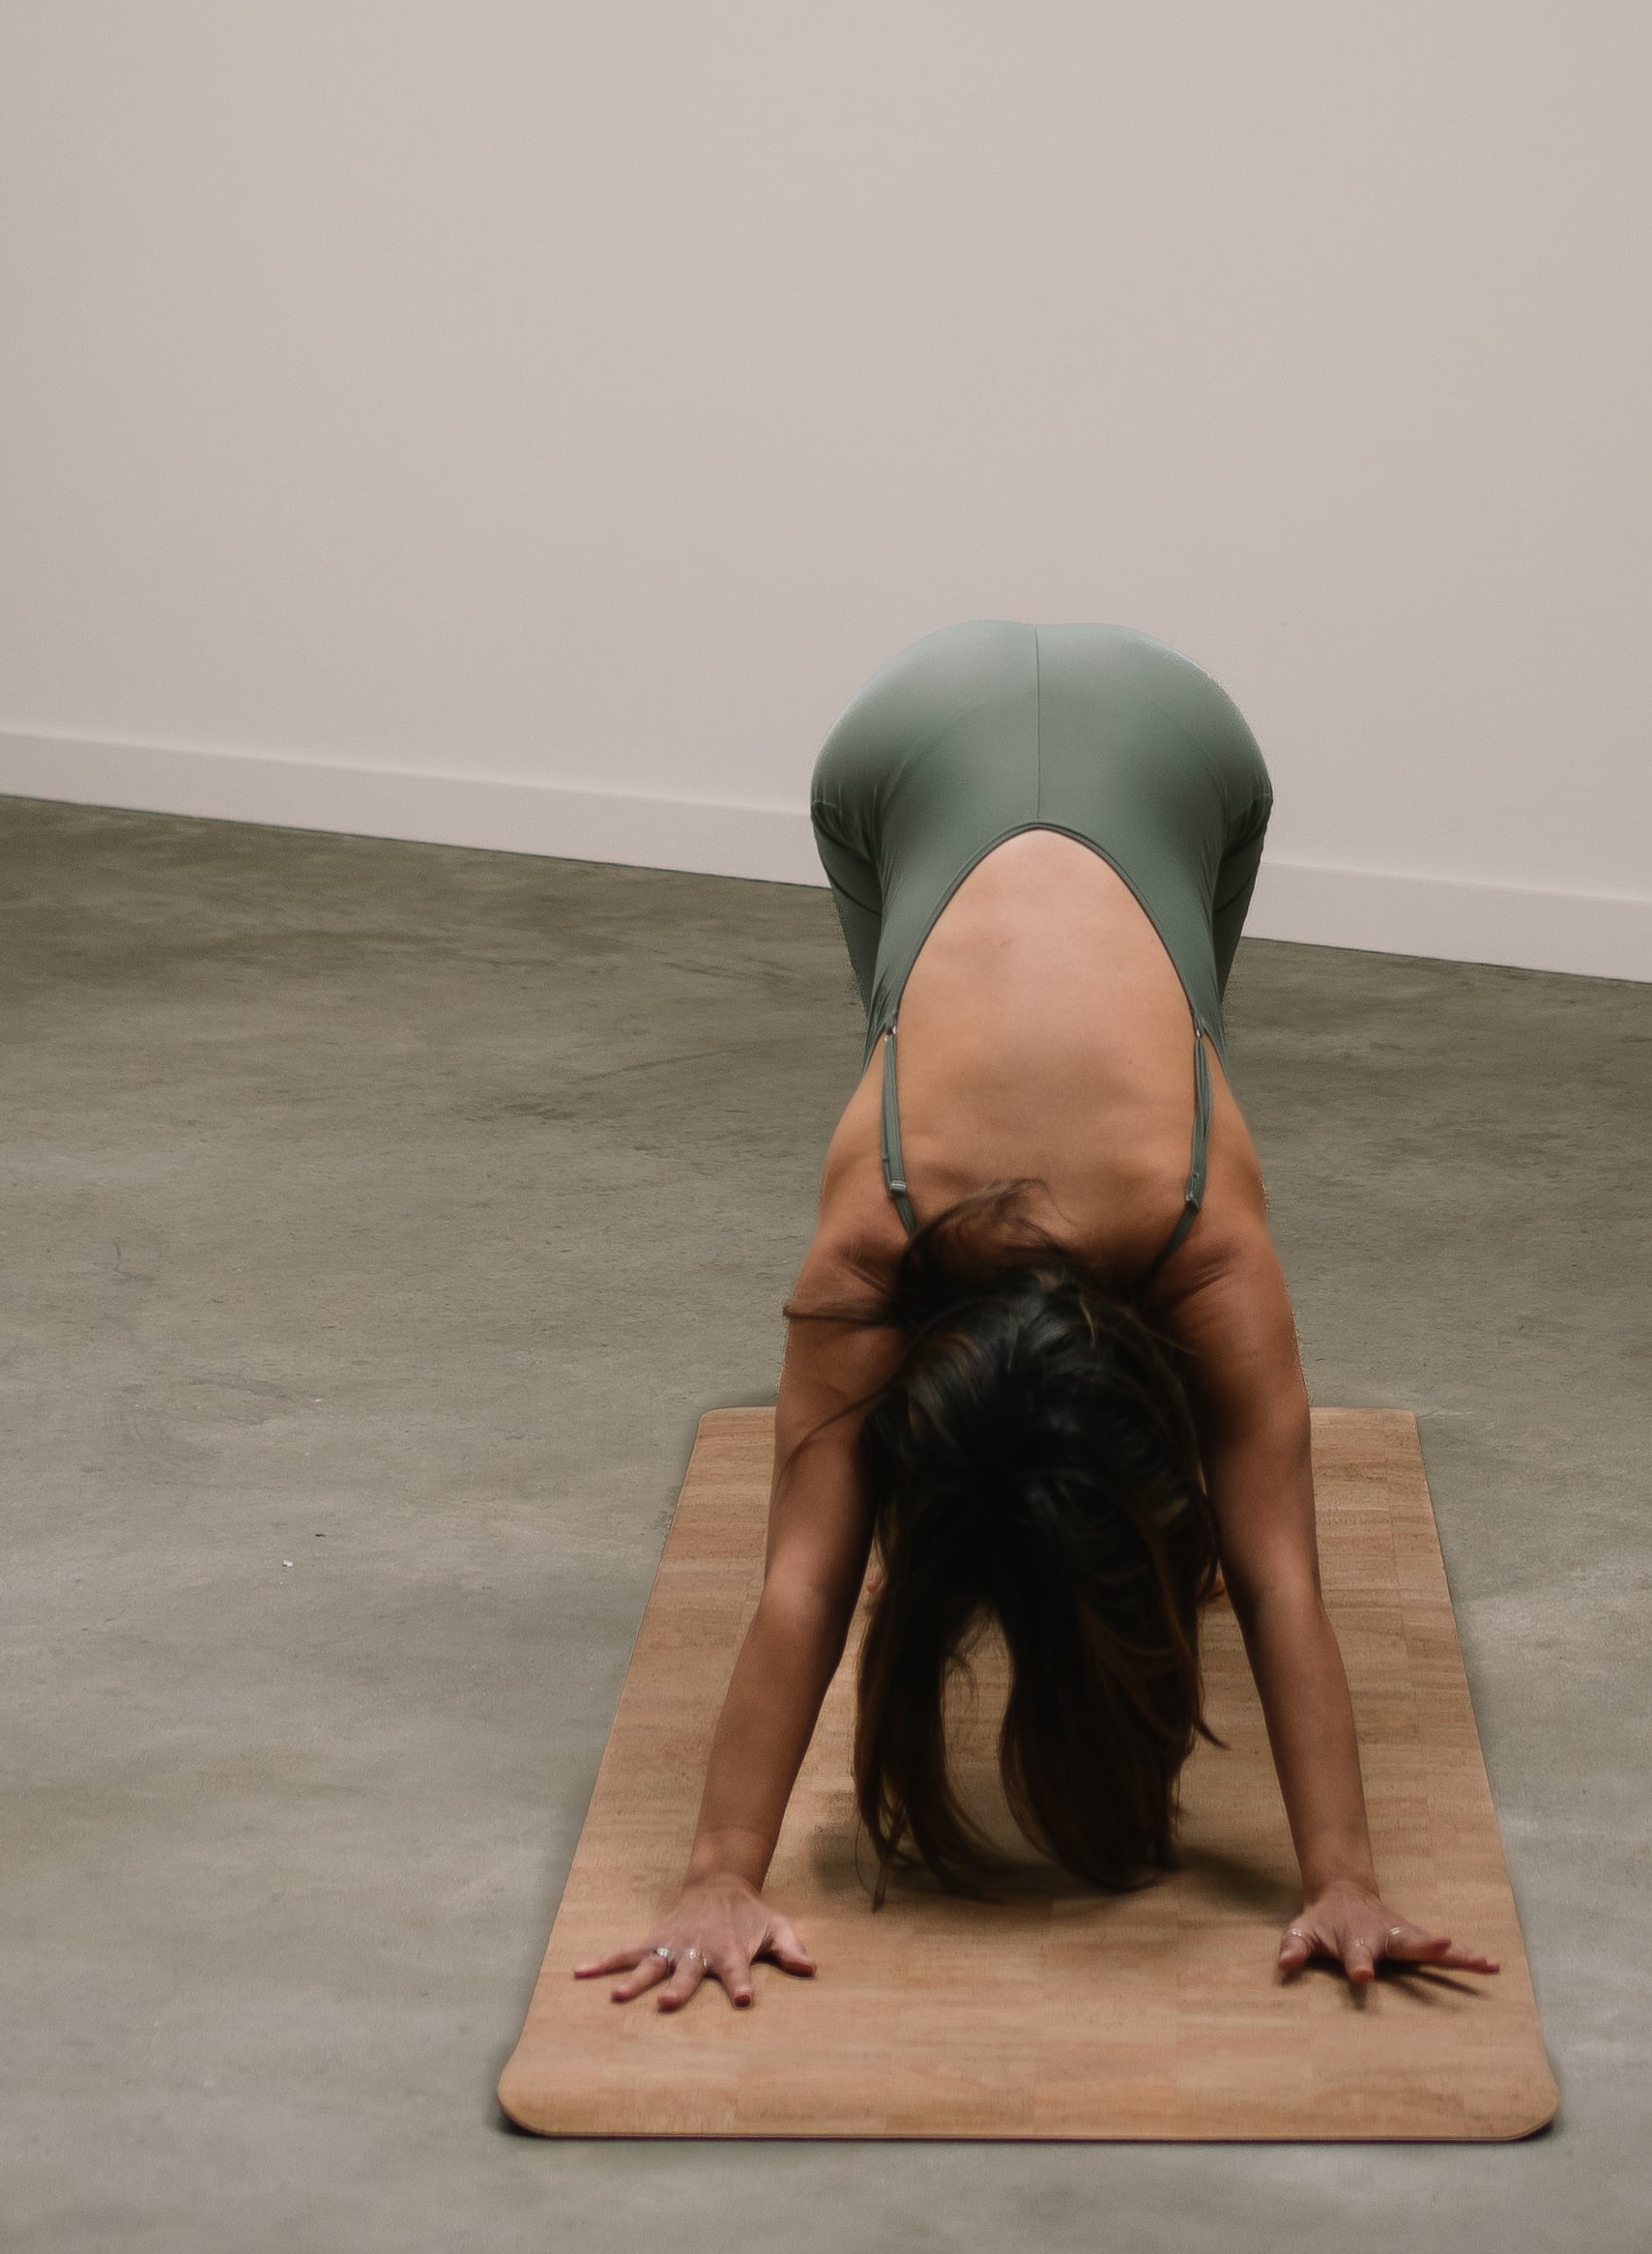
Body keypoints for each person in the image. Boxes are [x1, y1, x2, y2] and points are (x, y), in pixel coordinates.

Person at [579, 619, 1494, 2012]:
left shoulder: (1204, 1235)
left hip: (1185, 756)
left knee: (1171, 1018)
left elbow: (1272, 1578)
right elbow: (810, 1580)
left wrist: (1343, 1872)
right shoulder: (868, 1238)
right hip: (896, 757)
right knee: (910, 1018)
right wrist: (716, 1866)